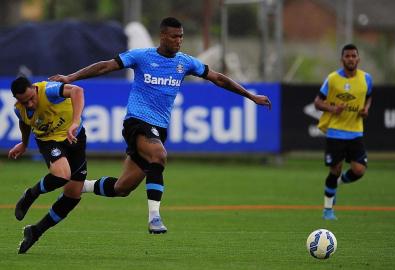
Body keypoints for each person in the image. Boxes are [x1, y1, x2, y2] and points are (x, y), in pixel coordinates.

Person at [49, 17, 272, 234]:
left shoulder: (185, 62)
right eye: (175, 36)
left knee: (122, 188)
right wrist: (70, 78)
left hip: (158, 128)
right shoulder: (141, 56)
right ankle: (154, 217)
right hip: (137, 122)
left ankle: (81, 186)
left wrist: (250, 96)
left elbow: (218, 78)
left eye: (181, 36)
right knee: (159, 155)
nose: (179, 40)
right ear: (163, 36)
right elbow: (105, 66)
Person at [9, 76, 87, 253]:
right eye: (24, 101)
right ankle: (31, 194)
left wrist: (75, 122)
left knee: (72, 196)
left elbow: (77, 91)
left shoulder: (49, 90)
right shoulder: (18, 109)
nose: (29, 104)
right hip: (49, 141)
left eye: (31, 98)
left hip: (74, 137)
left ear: (34, 89)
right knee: (62, 175)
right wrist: (24, 143)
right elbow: (24, 123)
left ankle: (35, 231)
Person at [314, 44, 372, 220]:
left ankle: (337, 184)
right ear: (342, 59)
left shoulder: (366, 78)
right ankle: (328, 210)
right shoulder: (332, 79)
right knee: (335, 169)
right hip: (335, 132)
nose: (351, 59)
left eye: (354, 56)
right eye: (347, 56)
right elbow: (317, 102)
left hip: (356, 132)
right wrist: (333, 108)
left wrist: (366, 109)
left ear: (358, 59)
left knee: (359, 170)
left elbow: (369, 95)